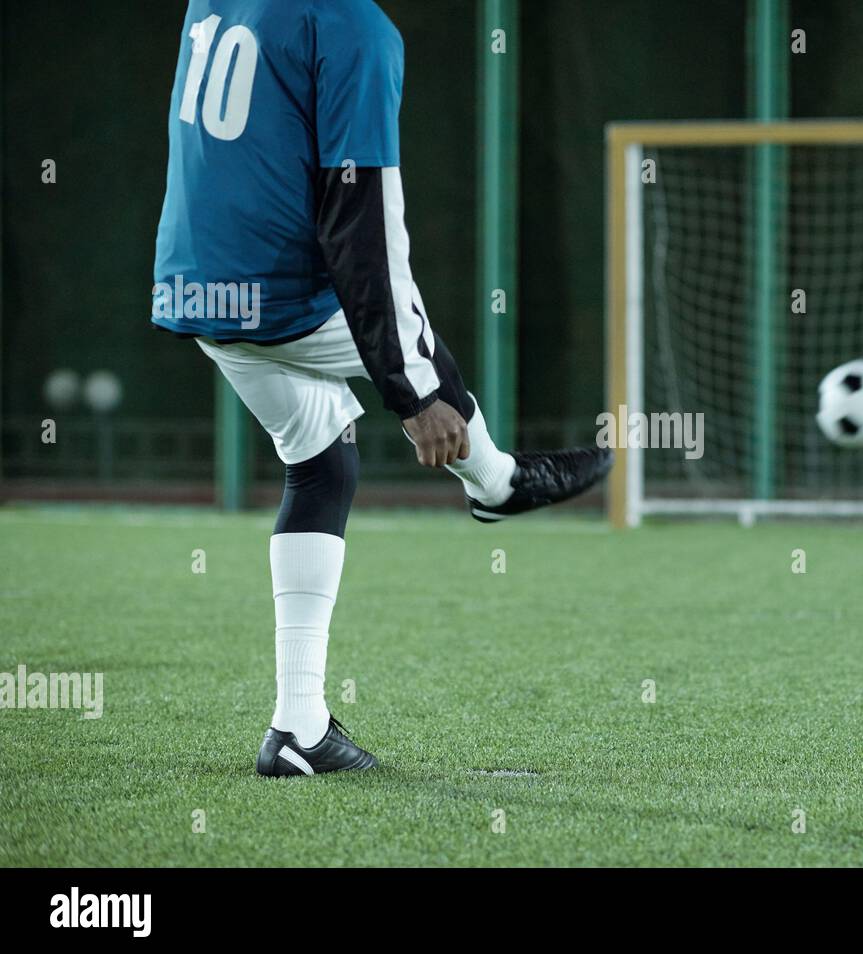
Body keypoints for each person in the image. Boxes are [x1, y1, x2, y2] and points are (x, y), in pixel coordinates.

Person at [151, 0, 612, 777]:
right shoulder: (354, 27)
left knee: (323, 463)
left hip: (194, 290)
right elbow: (362, 220)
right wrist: (413, 392)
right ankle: (497, 482)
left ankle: (297, 727)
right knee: (424, 365)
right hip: (279, 293)